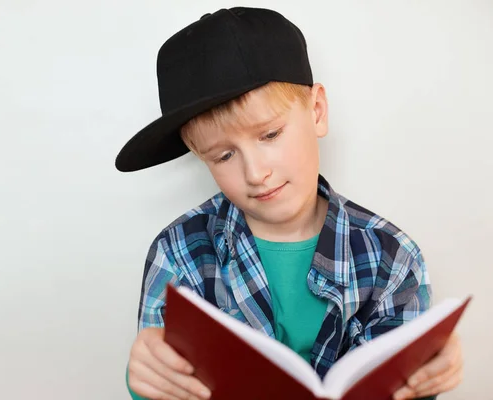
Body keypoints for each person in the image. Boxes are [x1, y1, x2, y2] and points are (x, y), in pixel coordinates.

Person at [115, 7, 463, 400]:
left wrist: (422, 374)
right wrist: (145, 378)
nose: (255, 172)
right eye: (223, 155)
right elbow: (161, 376)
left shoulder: (391, 257)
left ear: (316, 111)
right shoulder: (178, 253)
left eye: (270, 134)